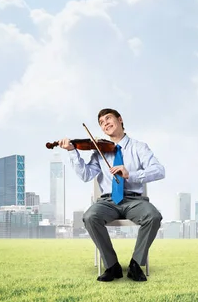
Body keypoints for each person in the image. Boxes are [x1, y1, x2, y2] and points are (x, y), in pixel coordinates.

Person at [58, 108, 165, 282]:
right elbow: (85, 175)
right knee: (90, 217)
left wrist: (130, 173)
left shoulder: (139, 147)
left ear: (120, 119)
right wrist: (72, 151)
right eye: (101, 122)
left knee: (153, 216)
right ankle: (112, 265)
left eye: (108, 118)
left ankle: (136, 265)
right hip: (108, 201)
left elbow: (159, 171)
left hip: (134, 200)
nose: (105, 123)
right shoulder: (99, 150)